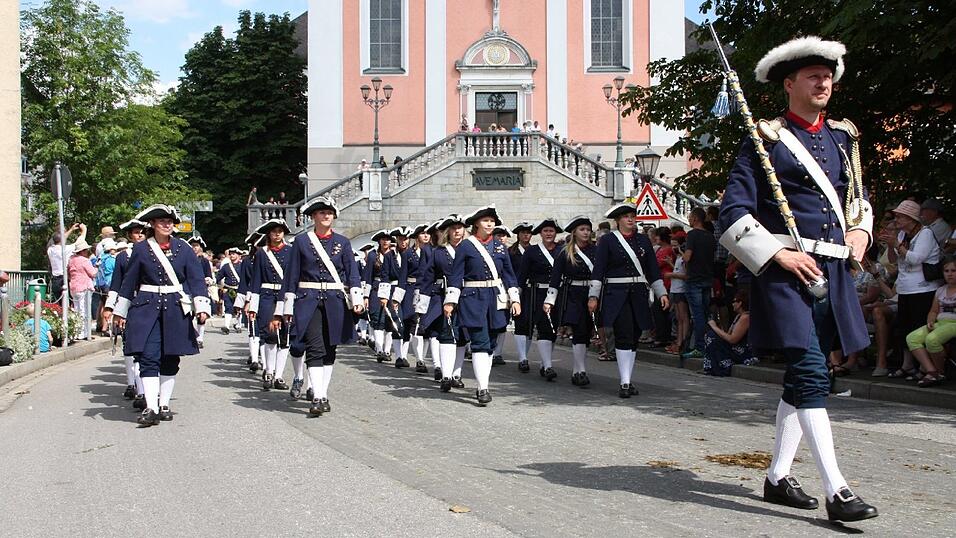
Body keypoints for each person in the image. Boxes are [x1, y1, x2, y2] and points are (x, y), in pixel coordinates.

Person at [718, 36, 878, 521]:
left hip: (835, 270)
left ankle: (775, 478)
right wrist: (778, 255)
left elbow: (857, 200)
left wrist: (861, 233)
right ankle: (838, 491)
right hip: (788, 272)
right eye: (813, 75)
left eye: (828, 75)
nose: (823, 82)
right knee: (811, 373)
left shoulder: (843, 137)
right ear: (790, 84)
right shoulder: (764, 139)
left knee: (805, 377)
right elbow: (732, 213)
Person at [112, 204, 210, 427]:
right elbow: (129, 282)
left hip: (175, 307)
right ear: (153, 224)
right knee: (148, 356)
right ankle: (151, 407)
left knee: (170, 357)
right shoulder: (141, 249)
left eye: (169, 221)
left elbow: (196, 280)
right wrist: (119, 311)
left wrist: (202, 306)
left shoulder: (183, 249)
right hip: (146, 308)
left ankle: (164, 404)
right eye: (161, 221)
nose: (166, 224)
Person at [276, 196, 364, 416]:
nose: (326, 216)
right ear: (314, 216)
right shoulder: (302, 242)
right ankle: (316, 395)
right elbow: (291, 275)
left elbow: (352, 272)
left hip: (334, 300)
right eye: (322, 212)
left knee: (329, 349)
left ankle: (323, 394)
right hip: (308, 299)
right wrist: (285, 308)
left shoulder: (342, 242)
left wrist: (357, 299)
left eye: (330, 213)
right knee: (314, 347)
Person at [443, 205, 521, 406]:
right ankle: (482, 388)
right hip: (473, 299)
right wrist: (451, 301)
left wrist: (515, 298)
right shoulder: (466, 246)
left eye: (492, 221)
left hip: (496, 298)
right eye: (486, 221)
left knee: (491, 344)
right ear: (477, 223)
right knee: (480, 342)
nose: (489, 224)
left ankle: (483, 383)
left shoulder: (500, 246)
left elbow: (509, 275)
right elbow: (456, 275)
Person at [588, 203, 668, 398]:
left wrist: (662, 293)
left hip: (639, 293)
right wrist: (593, 295)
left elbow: (652, 269)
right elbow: (599, 269)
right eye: (626, 216)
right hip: (616, 293)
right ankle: (624, 382)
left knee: (634, 335)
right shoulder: (608, 241)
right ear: (618, 220)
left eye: (633, 216)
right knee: (623, 332)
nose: (630, 219)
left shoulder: (643, 240)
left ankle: (628, 379)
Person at [881, 200, 943, 378]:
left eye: (900, 216)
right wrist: (892, 243)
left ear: (911, 218)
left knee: (919, 327)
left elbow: (917, 258)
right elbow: (893, 260)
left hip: (923, 289)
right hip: (905, 288)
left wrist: (897, 245)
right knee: (905, 327)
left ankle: (925, 367)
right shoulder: (901, 235)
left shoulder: (925, 234)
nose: (897, 219)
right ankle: (907, 365)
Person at [544, 216, 598, 386]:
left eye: (588, 230)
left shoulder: (596, 251)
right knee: (579, 330)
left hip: (591, 293)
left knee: (586, 331)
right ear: (575, 232)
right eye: (582, 229)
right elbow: (555, 277)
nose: (586, 233)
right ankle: (580, 371)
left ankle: (578, 369)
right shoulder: (564, 251)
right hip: (572, 295)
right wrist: (550, 300)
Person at [249, 220, 298, 394]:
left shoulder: (291, 251)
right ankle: (268, 371)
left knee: (285, 337)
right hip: (267, 296)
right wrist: (253, 306)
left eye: (280, 231)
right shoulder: (262, 253)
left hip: (286, 297)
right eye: (274, 231)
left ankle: (279, 375)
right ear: (268, 234)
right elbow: (256, 280)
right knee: (270, 334)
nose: (277, 234)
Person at [423, 214, 470, 391]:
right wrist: (423, 302)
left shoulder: (470, 249)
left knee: (462, 337)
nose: (457, 231)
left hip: (466, 297)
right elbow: (427, 277)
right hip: (443, 297)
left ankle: (456, 374)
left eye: (460, 227)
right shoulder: (439, 252)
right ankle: (446, 375)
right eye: (453, 228)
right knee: (447, 334)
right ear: (448, 232)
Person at [105, 219, 148, 404]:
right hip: (129, 302)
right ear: (130, 235)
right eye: (136, 232)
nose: (139, 235)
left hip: (150, 302)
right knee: (131, 344)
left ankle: (146, 388)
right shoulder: (123, 257)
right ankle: (133, 385)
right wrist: (110, 307)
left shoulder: (155, 252)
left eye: (142, 232)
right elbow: (117, 284)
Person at [518, 218, 562, 380]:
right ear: (541, 234)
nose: (549, 234)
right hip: (537, 295)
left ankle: (545, 363)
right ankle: (548, 366)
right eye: (545, 231)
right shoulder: (532, 251)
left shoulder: (562, 249)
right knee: (543, 327)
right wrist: (517, 296)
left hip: (558, 294)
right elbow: (522, 275)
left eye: (551, 231)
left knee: (552, 328)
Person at [905, 258, 956, 387]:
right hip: (941, 322)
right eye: (946, 271)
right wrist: (931, 321)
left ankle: (940, 372)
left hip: (954, 323)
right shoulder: (940, 290)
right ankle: (931, 370)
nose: (950, 274)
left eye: (954, 271)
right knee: (912, 338)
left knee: (932, 339)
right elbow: (933, 311)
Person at [681, 207, 717, 359]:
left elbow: (688, 257)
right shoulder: (710, 236)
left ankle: (699, 346)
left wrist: (681, 255)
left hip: (694, 278)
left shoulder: (692, 235)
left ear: (695, 219)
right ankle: (709, 344)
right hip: (707, 277)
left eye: (689, 217)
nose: (688, 220)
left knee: (697, 315)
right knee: (706, 312)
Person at [364, 230, 401, 362]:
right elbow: (367, 276)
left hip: (392, 288)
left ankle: (387, 350)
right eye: (383, 239)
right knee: (377, 318)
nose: (385, 241)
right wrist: (365, 296)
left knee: (390, 319)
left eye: (388, 239)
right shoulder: (373, 256)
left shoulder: (395, 255)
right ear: (379, 241)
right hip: (376, 288)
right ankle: (379, 349)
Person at [702, 289, 756, 376]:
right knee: (711, 334)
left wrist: (715, 327)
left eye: (734, 301)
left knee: (711, 336)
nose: (732, 304)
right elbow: (728, 334)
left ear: (740, 303)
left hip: (742, 350)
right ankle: (712, 366)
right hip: (734, 346)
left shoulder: (745, 317)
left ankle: (720, 367)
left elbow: (732, 339)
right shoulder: (739, 316)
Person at [508, 221, 534, 367]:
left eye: (528, 233)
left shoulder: (535, 250)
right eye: (523, 232)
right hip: (517, 289)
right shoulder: (511, 251)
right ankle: (522, 357)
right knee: (519, 321)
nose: (526, 235)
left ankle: (525, 355)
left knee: (529, 322)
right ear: (518, 235)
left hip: (532, 289)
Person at [47, 223, 87, 303]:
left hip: (55, 279)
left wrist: (71, 229)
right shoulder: (65, 249)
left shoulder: (50, 249)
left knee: (59, 303)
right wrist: (84, 230)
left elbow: (61, 239)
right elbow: (79, 243)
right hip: (64, 278)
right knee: (68, 302)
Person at [67, 239, 97, 341]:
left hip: (74, 287)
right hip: (84, 287)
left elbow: (68, 273)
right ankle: (84, 333)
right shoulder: (85, 261)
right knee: (85, 310)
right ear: (83, 251)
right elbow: (93, 273)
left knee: (77, 310)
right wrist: (97, 267)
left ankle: (76, 332)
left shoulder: (71, 260)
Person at [666, 231, 690, 355]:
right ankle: (679, 341)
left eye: (675, 245)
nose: (673, 248)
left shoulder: (684, 258)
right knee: (678, 318)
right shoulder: (678, 258)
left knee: (683, 317)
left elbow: (686, 275)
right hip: (675, 289)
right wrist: (670, 263)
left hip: (681, 289)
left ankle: (682, 343)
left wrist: (672, 274)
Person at [187, 236, 213, 349]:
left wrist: (208, 280)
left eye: (196, 246)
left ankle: (200, 338)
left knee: (201, 315)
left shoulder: (204, 261)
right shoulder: (186, 258)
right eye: (193, 246)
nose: (194, 248)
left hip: (201, 288)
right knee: (188, 314)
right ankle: (191, 336)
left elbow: (209, 275)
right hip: (188, 289)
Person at [217, 248, 243, 334]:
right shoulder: (226, 266)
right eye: (231, 254)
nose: (232, 256)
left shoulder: (243, 265)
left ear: (238, 256)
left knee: (239, 308)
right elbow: (219, 276)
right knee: (228, 307)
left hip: (239, 290)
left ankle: (238, 325)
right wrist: (214, 282)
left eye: (234, 254)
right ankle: (226, 327)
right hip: (228, 289)